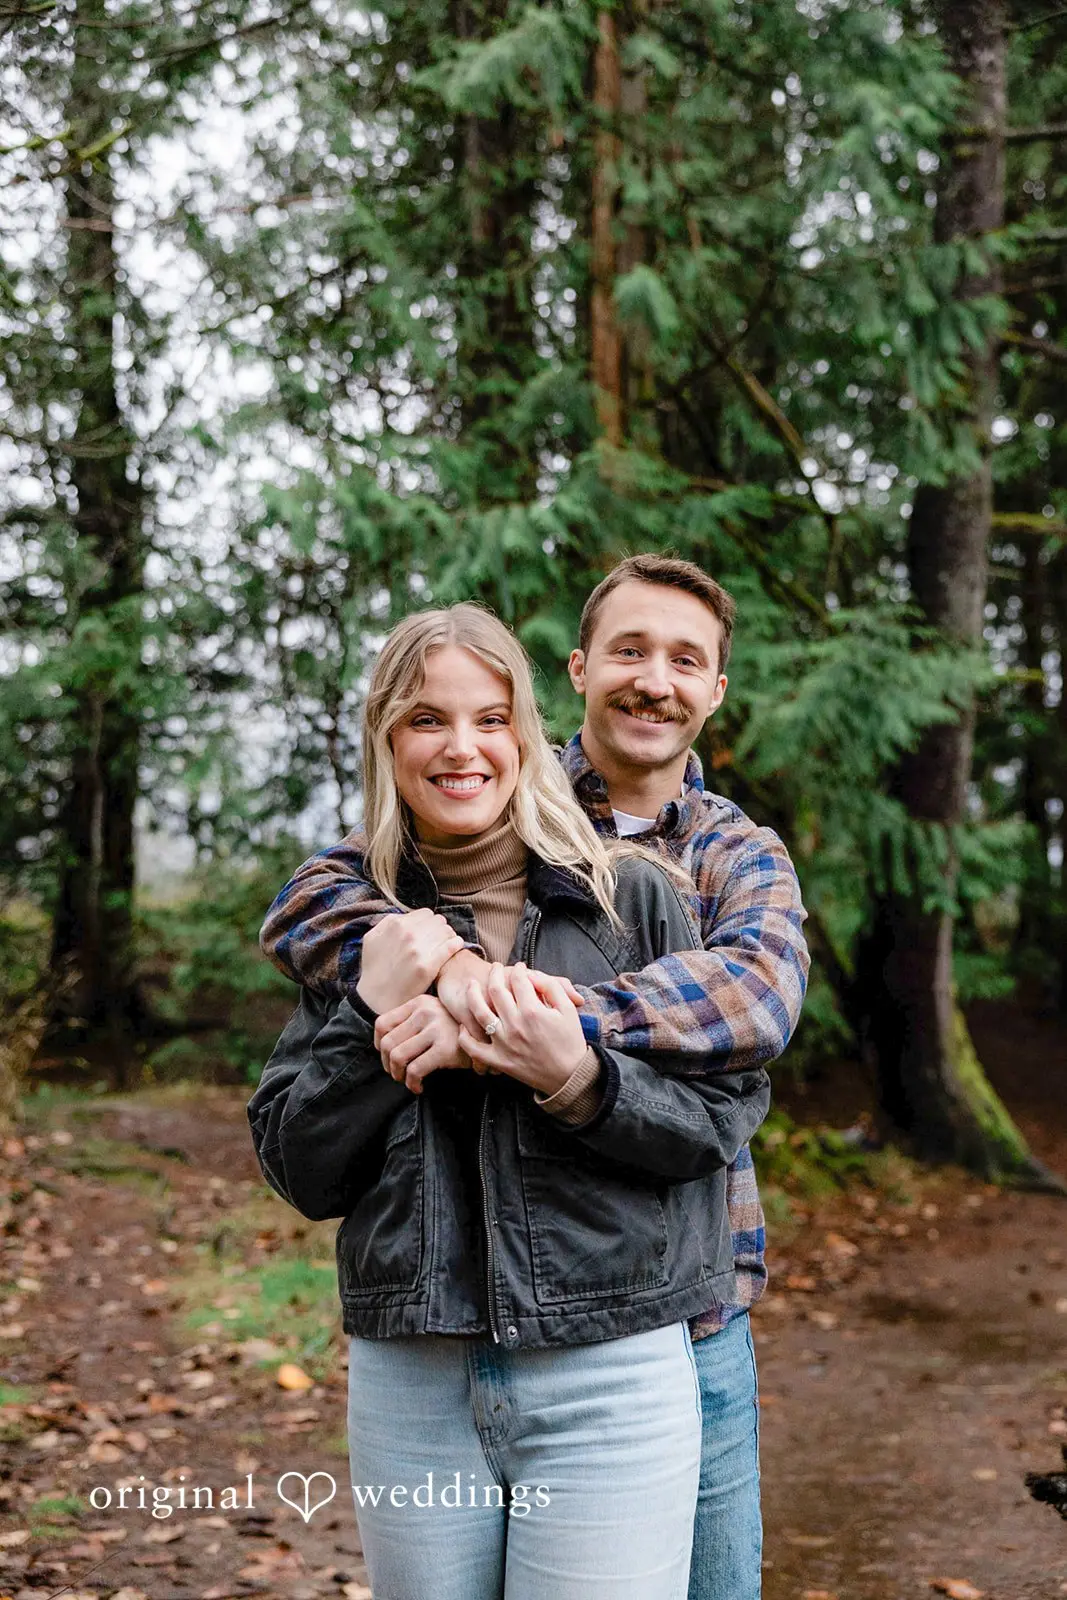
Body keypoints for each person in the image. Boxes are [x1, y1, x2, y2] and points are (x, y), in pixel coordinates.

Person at [259, 556, 810, 1600]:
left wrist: (534, 1027)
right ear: (576, 672)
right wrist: (414, 981)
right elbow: (308, 908)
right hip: (425, 1345)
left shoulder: (706, 861)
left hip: (673, 1310)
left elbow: (754, 1004)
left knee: (715, 1579)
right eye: (630, 651)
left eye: (684, 659)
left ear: (715, 689)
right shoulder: (401, 881)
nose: (654, 678)